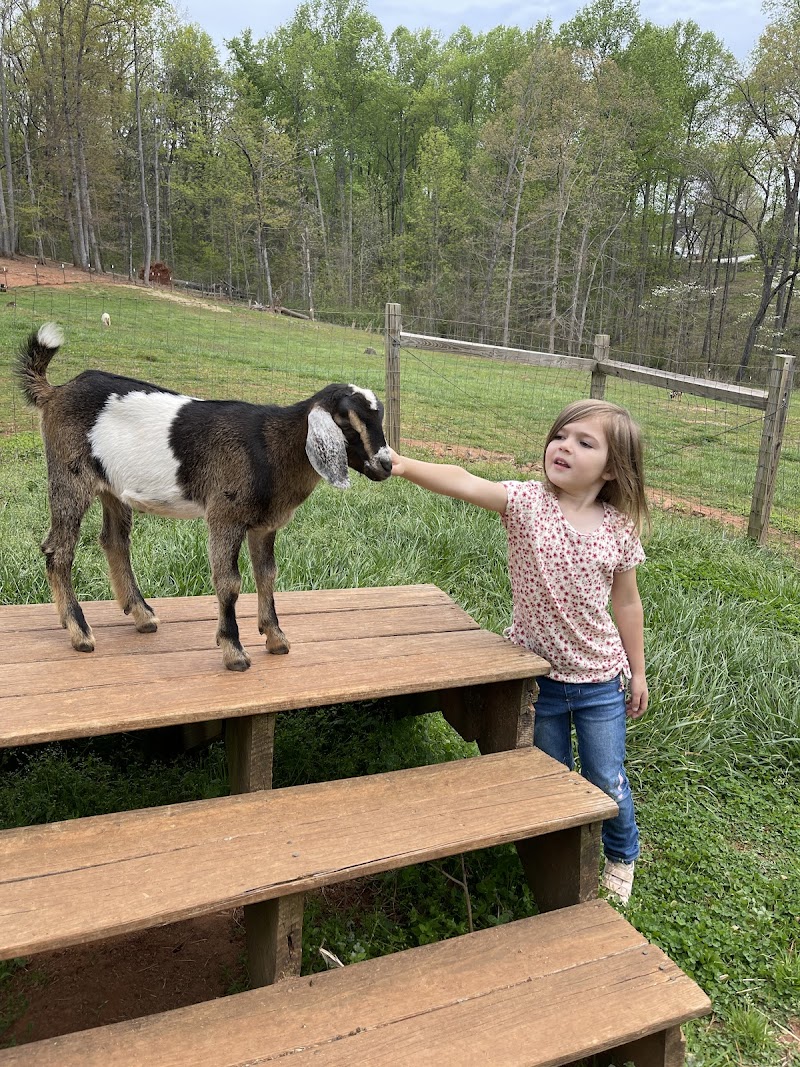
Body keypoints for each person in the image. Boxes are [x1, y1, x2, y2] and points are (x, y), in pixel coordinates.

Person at [390, 399, 649, 906]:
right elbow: (465, 481)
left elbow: (628, 603)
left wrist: (636, 672)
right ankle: (553, 848)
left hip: (599, 681)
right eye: (561, 436)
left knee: (606, 777)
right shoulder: (528, 503)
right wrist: (404, 466)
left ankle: (621, 853)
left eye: (584, 442)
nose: (564, 446)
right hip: (538, 674)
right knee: (547, 774)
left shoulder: (619, 529)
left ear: (613, 468)